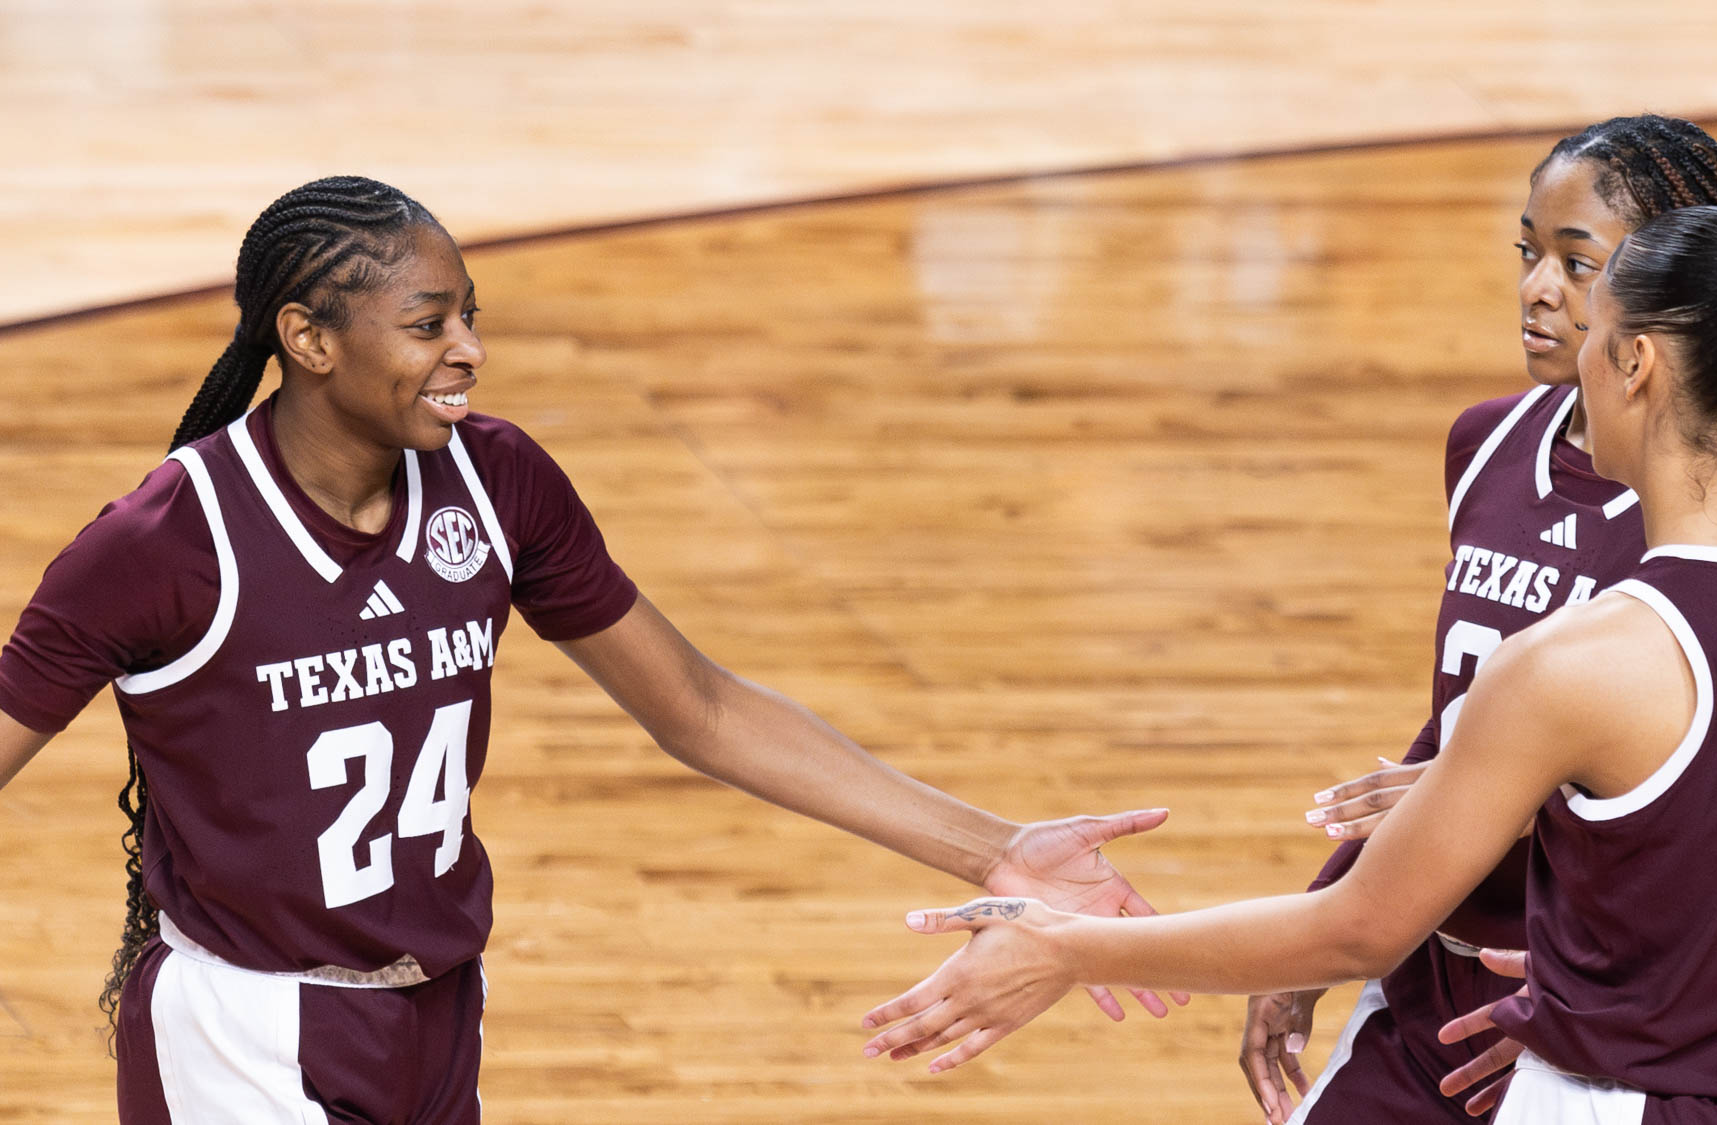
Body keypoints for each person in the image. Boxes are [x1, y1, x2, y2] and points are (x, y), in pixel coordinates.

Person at [0, 176, 1180, 1123]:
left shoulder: (495, 477)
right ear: (307, 339)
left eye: (469, 317)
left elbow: (700, 709)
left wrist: (995, 850)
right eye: (426, 325)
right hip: (244, 1033)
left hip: (437, 1009)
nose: (465, 350)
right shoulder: (167, 541)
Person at [862, 206, 1717, 1125]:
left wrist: (1064, 951)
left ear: (1634, 363)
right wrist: (1660, 987)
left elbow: (1358, 929)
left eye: (1591, 330)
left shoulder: (1579, 662)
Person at [1246, 116, 1717, 1124]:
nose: (1536, 289)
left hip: (1607, 1021)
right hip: (1429, 993)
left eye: (1577, 265)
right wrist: (1319, 921)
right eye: (1528, 252)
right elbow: (1460, 720)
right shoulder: (1486, 444)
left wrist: (1506, 796)